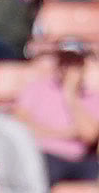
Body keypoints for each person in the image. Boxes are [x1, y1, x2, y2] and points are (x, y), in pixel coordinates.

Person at [15, 40, 99, 184]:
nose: (67, 68)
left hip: (81, 160)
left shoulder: (92, 97)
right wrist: (66, 133)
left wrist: (70, 95)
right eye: (64, 62)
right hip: (45, 156)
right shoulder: (37, 88)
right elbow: (19, 125)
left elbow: (89, 135)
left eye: (74, 63)